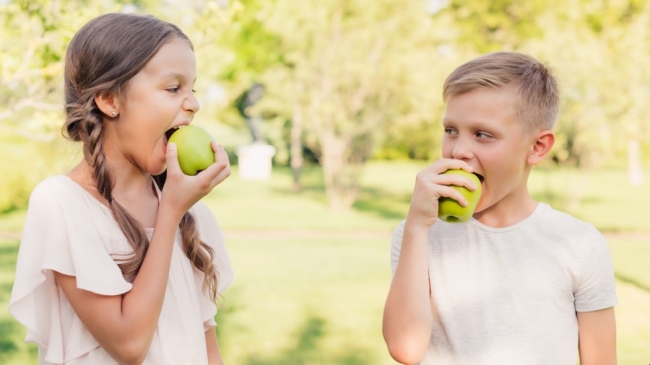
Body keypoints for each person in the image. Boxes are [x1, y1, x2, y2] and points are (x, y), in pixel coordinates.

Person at [9, 13, 233, 365]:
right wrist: (170, 213)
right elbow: (129, 345)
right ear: (109, 100)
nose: (193, 103)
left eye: (193, 88)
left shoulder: (191, 213)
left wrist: (176, 208)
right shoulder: (62, 204)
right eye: (173, 88)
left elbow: (208, 349)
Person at [382, 52, 617, 365]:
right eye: (451, 130)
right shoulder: (419, 236)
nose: (459, 150)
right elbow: (406, 349)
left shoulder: (578, 244)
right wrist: (415, 227)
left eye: (483, 134)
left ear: (537, 147)